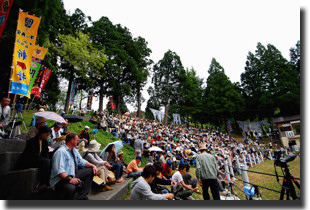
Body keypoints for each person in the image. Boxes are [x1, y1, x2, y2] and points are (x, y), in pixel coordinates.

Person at [50, 133, 97, 200]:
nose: (78, 142)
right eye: (77, 140)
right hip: (61, 179)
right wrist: (70, 179)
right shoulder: (61, 152)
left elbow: (81, 161)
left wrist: (93, 165)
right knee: (71, 188)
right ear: (72, 140)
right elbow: (59, 171)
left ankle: (82, 197)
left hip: (72, 174)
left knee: (90, 170)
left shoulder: (74, 150)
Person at [16, 126, 52, 190]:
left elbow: (46, 153)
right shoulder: (32, 141)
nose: (47, 136)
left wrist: (46, 159)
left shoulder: (44, 142)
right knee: (46, 162)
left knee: (49, 161)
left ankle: (48, 182)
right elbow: (32, 154)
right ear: (41, 133)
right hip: (29, 160)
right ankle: (43, 183)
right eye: (46, 134)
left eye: (48, 135)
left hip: (39, 160)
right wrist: (43, 159)